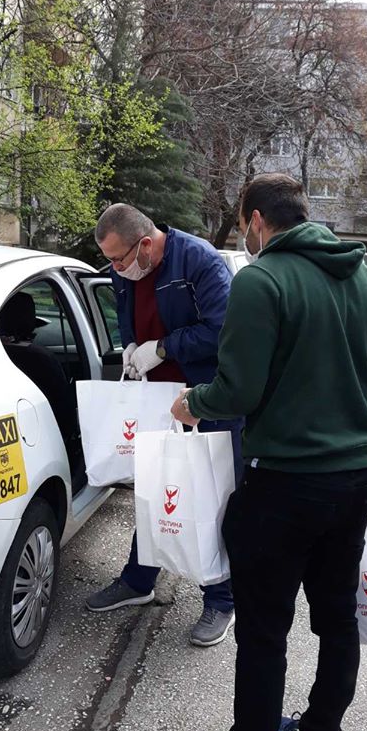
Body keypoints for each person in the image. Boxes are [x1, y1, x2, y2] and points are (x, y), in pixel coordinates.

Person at [172, 173, 367, 731]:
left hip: (282, 487)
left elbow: (239, 390)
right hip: (353, 485)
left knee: (264, 630)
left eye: (244, 226)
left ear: (255, 219)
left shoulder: (263, 280)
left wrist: (193, 402)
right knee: (337, 619)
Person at [85, 203, 243, 648]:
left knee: (212, 496)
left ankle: (221, 599)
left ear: (146, 244)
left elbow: (223, 330)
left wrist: (163, 348)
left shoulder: (199, 261)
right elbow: (125, 310)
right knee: (155, 489)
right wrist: (131, 345)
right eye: (110, 262)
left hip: (206, 397)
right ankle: (138, 581)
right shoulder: (125, 270)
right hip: (156, 398)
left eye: (119, 260)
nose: (115, 270)